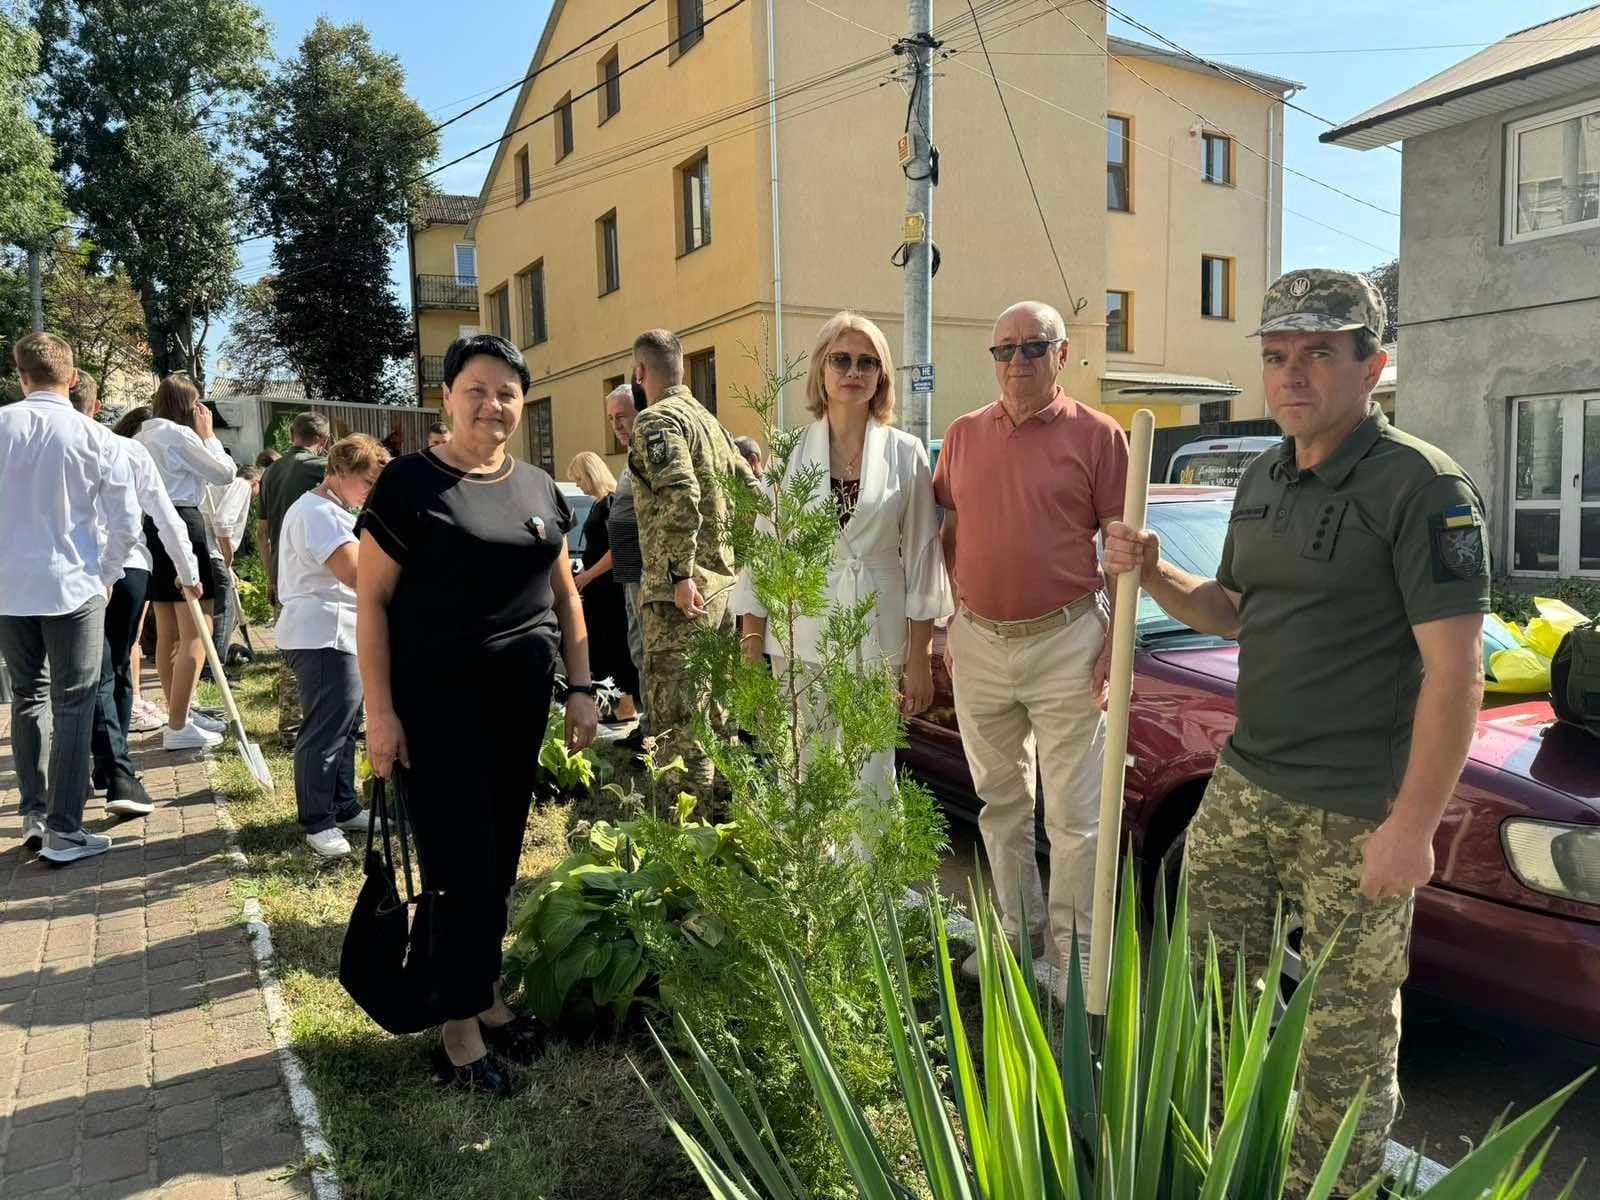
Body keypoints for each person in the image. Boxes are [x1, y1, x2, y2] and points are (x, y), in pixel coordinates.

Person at [1103, 270, 1487, 1200]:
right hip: (1244, 788)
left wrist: (1411, 828)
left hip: (1356, 814)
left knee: (1341, 1053)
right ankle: (1225, 1172)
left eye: (1319, 353)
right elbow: (1233, 611)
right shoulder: (1264, 477)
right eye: (1277, 357)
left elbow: (1456, 671)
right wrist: (1155, 574)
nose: (1292, 377)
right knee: (1208, 1008)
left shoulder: (1421, 488)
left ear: (1373, 366)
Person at [357, 334, 598, 1096]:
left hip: (519, 709)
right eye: (477, 388)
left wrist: (583, 687)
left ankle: (485, 994)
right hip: (439, 712)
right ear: (448, 396)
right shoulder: (407, 485)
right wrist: (381, 714)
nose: (493, 404)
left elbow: (564, 594)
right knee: (457, 866)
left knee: (496, 862)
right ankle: (458, 1032)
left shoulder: (536, 489)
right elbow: (371, 602)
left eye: (508, 394)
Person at [933, 300, 1129, 985]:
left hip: (1068, 641)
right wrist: (951, 618)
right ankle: (1019, 937)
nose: (1017, 362)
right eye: (1005, 349)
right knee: (1001, 805)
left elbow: (1123, 546)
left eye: (1033, 348)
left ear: (1063, 354)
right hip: (981, 642)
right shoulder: (961, 435)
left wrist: (1113, 640)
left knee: (1076, 818)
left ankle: (1073, 959)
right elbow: (949, 526)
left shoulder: (1101, 436)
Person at [734, 312, 950, 809]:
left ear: (881, 376)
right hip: (800, 633)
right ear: (821, 371)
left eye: (867, 362)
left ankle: (871, 887)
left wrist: (920, 657)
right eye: (842, 360)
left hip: (879, 633)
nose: (854, 372)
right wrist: (749, 654)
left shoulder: (906, 451)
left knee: (874, 775)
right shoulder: (788, 452)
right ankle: (813, 885)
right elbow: (765, 554)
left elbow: (922, 553)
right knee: (805, 771)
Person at [0, 334, 141, 862]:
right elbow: (126, 524)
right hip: (74, 582)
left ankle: (35, 815)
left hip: (10, 584)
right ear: (74, 377)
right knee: (75, 700)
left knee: (27, 696)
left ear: (21, 376)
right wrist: (105, 573)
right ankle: (63, 827)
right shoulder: (97, 437)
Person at [627, 329, 755, 807]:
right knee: (718, 718)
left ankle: (688, 848)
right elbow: (751, 495)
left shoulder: (656, 421)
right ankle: (726, 822)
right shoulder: (713, 426)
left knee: (679, 723)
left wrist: (680, 575)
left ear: (641, 372)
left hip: (681, 596)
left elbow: (681, 491)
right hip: (720, 592)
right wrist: (730, 567)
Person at [69, 375, 197, 819]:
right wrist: (188, 570)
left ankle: (109, 765)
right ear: (96, 404)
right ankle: (113, 766)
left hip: (90, 570)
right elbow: (162, 515)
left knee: (99, 670)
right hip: (125, 567)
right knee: (117, 666)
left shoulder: (54, 447)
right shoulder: (123, 449)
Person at [277, 436, 389, 857]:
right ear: (339, 472)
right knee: (325, 728)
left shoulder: (334, 509)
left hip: (340, 631)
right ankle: (317, 819)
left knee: (345, 727)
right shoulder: (319, 513)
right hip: (322, 633)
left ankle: (342, 805)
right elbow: (357, 572)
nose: (370, 491)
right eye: (366, 481)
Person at [135, 373, 238, 751]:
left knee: (167, 631)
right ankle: (178, 724)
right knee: (200, 625)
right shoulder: (180, 434)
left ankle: (179, 711)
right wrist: (208, 435)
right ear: (188, 406)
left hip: (151, 527)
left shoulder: (142, 434)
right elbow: (223, 473)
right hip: (182, 521)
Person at [260, 412, 331, 739]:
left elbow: (262, 532)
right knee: (325, 648)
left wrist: (269, 576)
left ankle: (289, 727)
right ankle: (327, 720)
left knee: (290, 649)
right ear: (325, 440)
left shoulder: (271, 471)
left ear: (292, 435)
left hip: (280, 569)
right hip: (315, 569)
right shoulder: (323, 468)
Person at [569, 451, 640, 721]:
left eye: (578, 479)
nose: (578, 485)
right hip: (599, 588)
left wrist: (587, 575)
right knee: (606, 647)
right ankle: (620, 704)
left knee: (616, 645)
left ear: (590, 474)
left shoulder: (611, 503)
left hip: (608, 588)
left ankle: (626, 706)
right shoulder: (601, 504)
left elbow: (615, 549)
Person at [603, 383, 650, 749]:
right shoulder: (632, 455)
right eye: (612, 418)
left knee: (648, 649)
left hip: (645, 572)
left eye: (622, 416)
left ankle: (653, 729)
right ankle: (647, 723)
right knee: (637, 647)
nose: (617, 425)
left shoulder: (650, 452)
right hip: (630, 572)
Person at [202, 463, 255, 670]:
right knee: (225, 609)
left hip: (202, 551)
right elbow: (223, 522)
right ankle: (216, 667)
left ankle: (208, 665)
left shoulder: (216, 486)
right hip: (216, 554)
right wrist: (228, 557)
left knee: (210, 609)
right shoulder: (242, 485)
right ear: (256, 482)